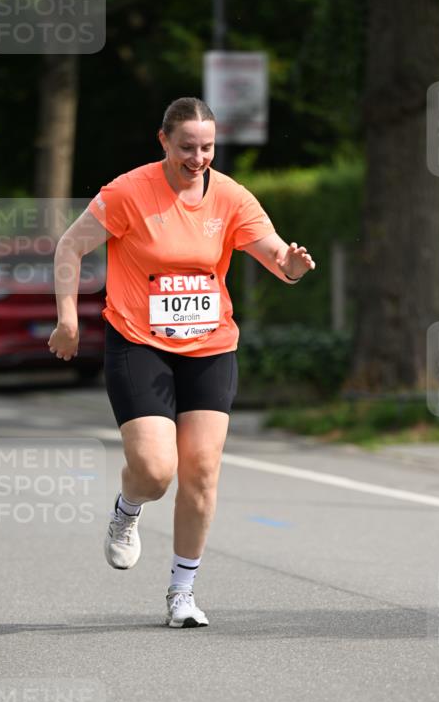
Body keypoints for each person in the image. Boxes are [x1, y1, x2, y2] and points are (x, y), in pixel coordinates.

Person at [48, 97, 315, 628]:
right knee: (154, 471)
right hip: (139, 343)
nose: (199, 158)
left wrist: (293, 265)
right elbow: (69, 248)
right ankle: (127, 510)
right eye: (188, 147)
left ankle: (182, 592)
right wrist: (68, 321)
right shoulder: (129, 193)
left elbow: (277, 258)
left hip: (210, 347)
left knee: (202, 471)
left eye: (208, 148)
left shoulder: (232, 197)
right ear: (164, 141)